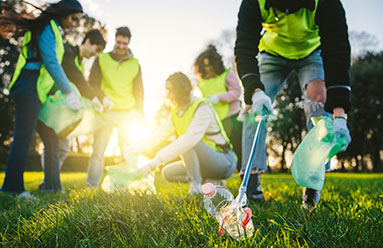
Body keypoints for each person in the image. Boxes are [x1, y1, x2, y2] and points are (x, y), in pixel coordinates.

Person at [234, 0, 352, 208]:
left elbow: (337, 52)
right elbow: (244, 47)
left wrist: (339, 115)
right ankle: (251, 184)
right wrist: (255, 91)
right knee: (254, 107)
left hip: (311, 53)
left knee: (318, 101)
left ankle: (312, 185)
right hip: (271, 54)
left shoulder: (326, 3)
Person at [0, 0, 84, 198]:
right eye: (73, 18)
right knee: (23, 138)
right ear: (64, 13)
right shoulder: (47, 28)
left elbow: (50, 69)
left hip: (37, 90)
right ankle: (12, 188)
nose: (75, 23)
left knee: (51, 137)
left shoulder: (54, 29)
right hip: (28, 86)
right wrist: (68, 92)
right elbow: (51, 63)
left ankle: (52, 187)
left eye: (78, 21)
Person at [138, 72, 237, 195]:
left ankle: (195, 187)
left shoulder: (202, 107)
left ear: (184, 90)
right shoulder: (176, 112)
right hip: (204, 164)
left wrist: (156, 161)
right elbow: (160, 134)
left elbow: (189, 139)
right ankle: (212, 182)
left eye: (170, 90)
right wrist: (139, 148)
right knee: (167, 173)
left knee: (187, 142)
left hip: (223, 161)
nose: (168, 95)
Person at [39, 29, 107, 190]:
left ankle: (47, 181)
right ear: (88, 41)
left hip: (64, 112)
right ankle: (49, 183)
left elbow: (81, 83)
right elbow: (77, 78)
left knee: (62, 148)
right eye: (96, 49)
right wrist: (95, 97)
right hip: (51, 107)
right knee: (55, 146)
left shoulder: (79, 63)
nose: (95, 55)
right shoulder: (67, 51)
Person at [86, 26, 144, 187]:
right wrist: (103, 97)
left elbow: (139, 92)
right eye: (119, 42)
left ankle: (124, 187)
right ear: (115, 40)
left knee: (127, 153)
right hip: (106, 112)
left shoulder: (135, 64)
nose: (121, 46)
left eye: (125, 43)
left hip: (127, 114)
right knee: (98, 151)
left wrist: (140, 115)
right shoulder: (102, 59)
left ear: (129, 43)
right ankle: (91, 186)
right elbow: (92, 83)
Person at [194, 44, 243, 172]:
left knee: (237, 147)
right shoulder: (201, 82)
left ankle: (243, 173)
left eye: (210, 65)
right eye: (205, 66)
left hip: (231, 118)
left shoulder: (228, 74)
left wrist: (218, 98)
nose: (208, 69)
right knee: (216, 148)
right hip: (213, 121)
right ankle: (218, 173)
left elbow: (236, 92)